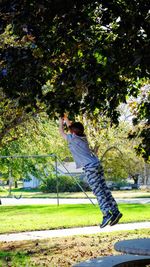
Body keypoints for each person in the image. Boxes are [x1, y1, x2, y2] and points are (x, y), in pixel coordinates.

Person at [59, 115, 122, 228]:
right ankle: (115, 211)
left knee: (98, 192)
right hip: (97, 165)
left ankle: (107, 214)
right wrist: (66, 118)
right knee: (104, 189)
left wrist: (60, 121)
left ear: (73, 132)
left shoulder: (72, 139)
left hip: (90, 168)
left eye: (71, 130)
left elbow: (61, 132)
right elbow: (71, 128)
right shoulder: (82, 137)